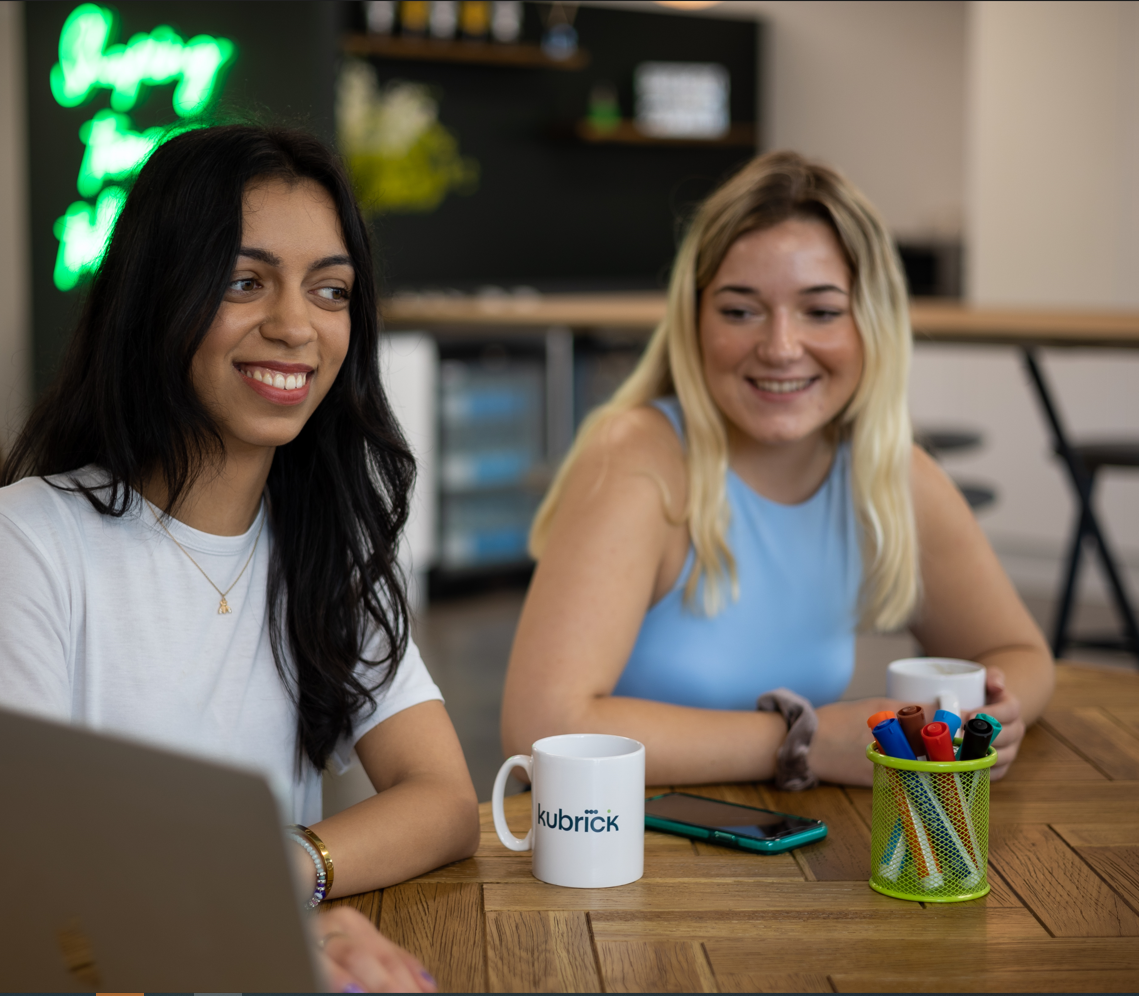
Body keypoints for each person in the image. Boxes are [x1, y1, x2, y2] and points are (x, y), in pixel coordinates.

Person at [0, 125, 478, 992]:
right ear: (158, 296)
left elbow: (444, 801)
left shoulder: (326, 544)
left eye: (329, 290)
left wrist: (286, 866)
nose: (295, 326)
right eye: (243, 281)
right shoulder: (29, 542)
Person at [501, 151, 1054, 789]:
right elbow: (542, 728)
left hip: (787, 847)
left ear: (870, 322)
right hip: (616, 853)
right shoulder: (640, 458)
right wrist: (805, 742)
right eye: (741, 310)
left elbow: (1022, 656)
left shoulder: (889, 476)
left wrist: (999, 714)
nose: (781, 347)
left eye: (820, 311)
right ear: (695, 322)